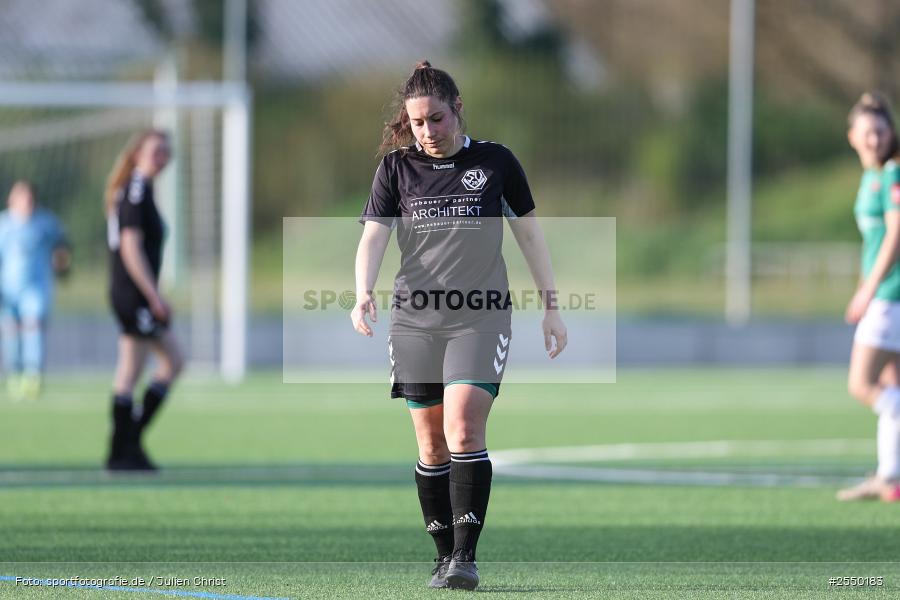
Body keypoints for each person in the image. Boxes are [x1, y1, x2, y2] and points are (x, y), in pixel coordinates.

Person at [351, 61, 567, 590]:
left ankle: (466, 559)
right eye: (418, 123)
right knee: (430, 445)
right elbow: (374, 236)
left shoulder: (496, 162)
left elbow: (530, 236)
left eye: (437, 120)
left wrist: (551, 305)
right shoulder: (395, 169)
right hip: (415, 320)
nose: (428, 132)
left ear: (458, 109)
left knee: (464, 425)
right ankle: (443, 554)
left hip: (481, 315)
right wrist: (362, 294)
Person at [104, 130, 183, 471]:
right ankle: (127, 443)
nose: (161, 158)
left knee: (130, 371)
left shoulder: (140, 189)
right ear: (136, 153)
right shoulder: (135, 191)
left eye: (165, 152)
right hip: (133, 295)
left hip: (129, 294)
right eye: (154, 151)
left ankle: (122, 451)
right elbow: (130, 247)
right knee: (173, 360)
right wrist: (153, 296)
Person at [838, 92, 900, 502]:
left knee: (862, 385)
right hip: (883, 292)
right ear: (852, 137)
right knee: (894, 384)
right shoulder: (871, 176)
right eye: (868, 132)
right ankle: (890, 478)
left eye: (880, 131)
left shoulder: (892, 174)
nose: (875, 139)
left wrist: (868, 290)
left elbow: (895, 235)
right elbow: (872, 242)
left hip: (890, 295)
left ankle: (889, 476)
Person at [0, 180, 70, 400]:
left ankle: (33, 375)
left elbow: (62, 246)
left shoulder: (45, 222)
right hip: (7, 289)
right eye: (20, 196)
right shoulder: (4, 224)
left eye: (28, 196)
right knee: (11, 334)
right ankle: (14, 373)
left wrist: (62, 264)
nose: (25, 201)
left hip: (35, 288)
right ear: (11, 199)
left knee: (33, 328)